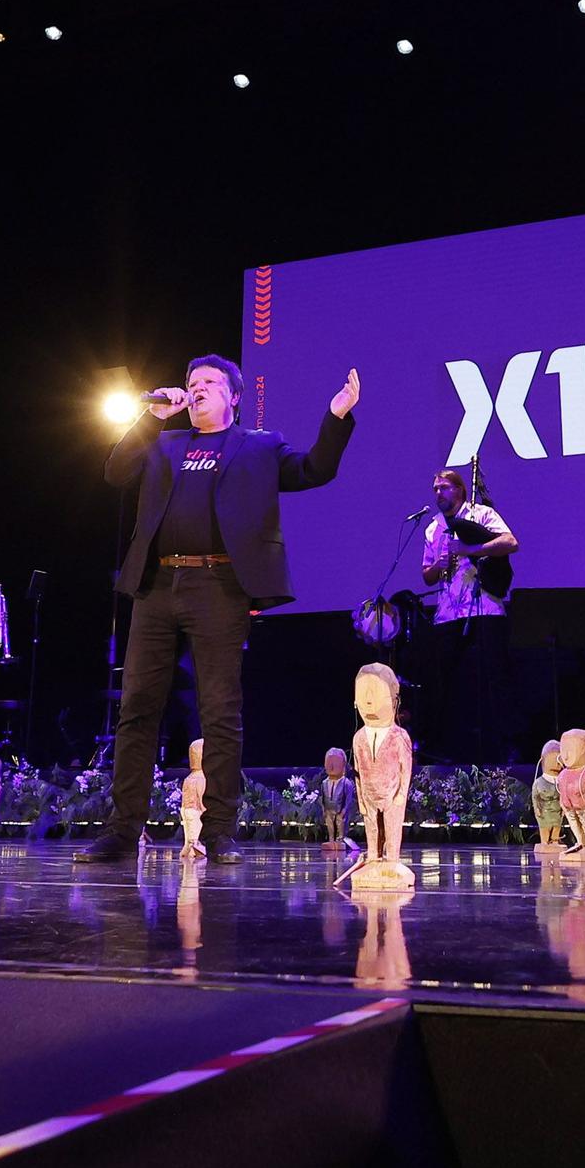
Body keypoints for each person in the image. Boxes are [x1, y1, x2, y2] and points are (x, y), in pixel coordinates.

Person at [76, 355, 360, 865]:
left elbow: (314, 469)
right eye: (191, 383)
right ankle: (123, 831)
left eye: (209, 382)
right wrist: (151, 418)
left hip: (219, 584)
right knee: (137, 708)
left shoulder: (260, 445)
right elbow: (115, 472)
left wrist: (336, 416)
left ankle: (220, 830)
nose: (197, 388)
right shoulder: (163, 443)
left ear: (233, 395)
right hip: (157, 584)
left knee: (219, 712)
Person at [419, 468, 518, 762]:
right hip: (449, 611)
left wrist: (469, 548)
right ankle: (442, 745)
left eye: (445, 488)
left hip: (485, 605)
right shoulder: (432, 528)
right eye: (436, 488)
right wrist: (439, 564)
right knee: (443, 679)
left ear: (460, 490)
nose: (439, 493)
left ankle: (508, 744)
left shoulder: (481, 514)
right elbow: (426, 576)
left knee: (496, 677)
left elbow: (511, 542)